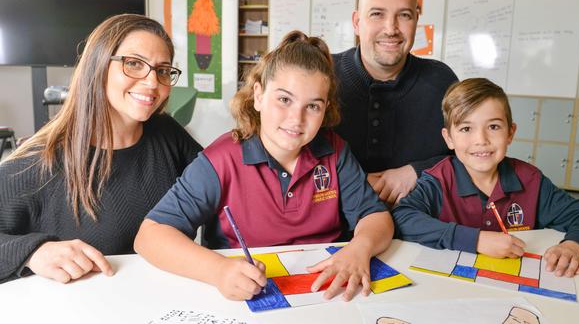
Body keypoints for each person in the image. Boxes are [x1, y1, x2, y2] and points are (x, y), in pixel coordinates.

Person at [134, 31, 393, 302]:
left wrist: (359, 247)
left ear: (325, 108)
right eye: (284, 99)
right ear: (258, 95)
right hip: (246, 297)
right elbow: (150, 237)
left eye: (313, 106)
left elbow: (376, 217)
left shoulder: (335, 151)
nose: (296, 118)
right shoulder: (221, 159)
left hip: (327, 296)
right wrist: (219, 271)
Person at [0, 14, 202, 284]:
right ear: (98, 65)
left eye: (162, 70)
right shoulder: (38, 162)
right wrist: (34, 252)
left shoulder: (167, 133)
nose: (152, 82)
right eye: (133, 63)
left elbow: (225, 178)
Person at [393, 78, 579, 278]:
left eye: (494, 126)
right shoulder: (438, 180)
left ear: (510, 133)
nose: (481, 139)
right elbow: (402, 218)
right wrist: (475, 240)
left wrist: (574, 246)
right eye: (466, 128)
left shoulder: (530, 181)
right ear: (449, 138)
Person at [334, 0, 458, 206]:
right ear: (357, 22)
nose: (391, 28)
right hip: (332, 234)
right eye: (377, 14)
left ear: (416, 22)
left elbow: (472, 156)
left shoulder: (442, 81)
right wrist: (352, 180)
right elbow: (287, 152)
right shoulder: (322, 75)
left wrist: (416, 171)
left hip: (422, 233)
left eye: (404, 15)